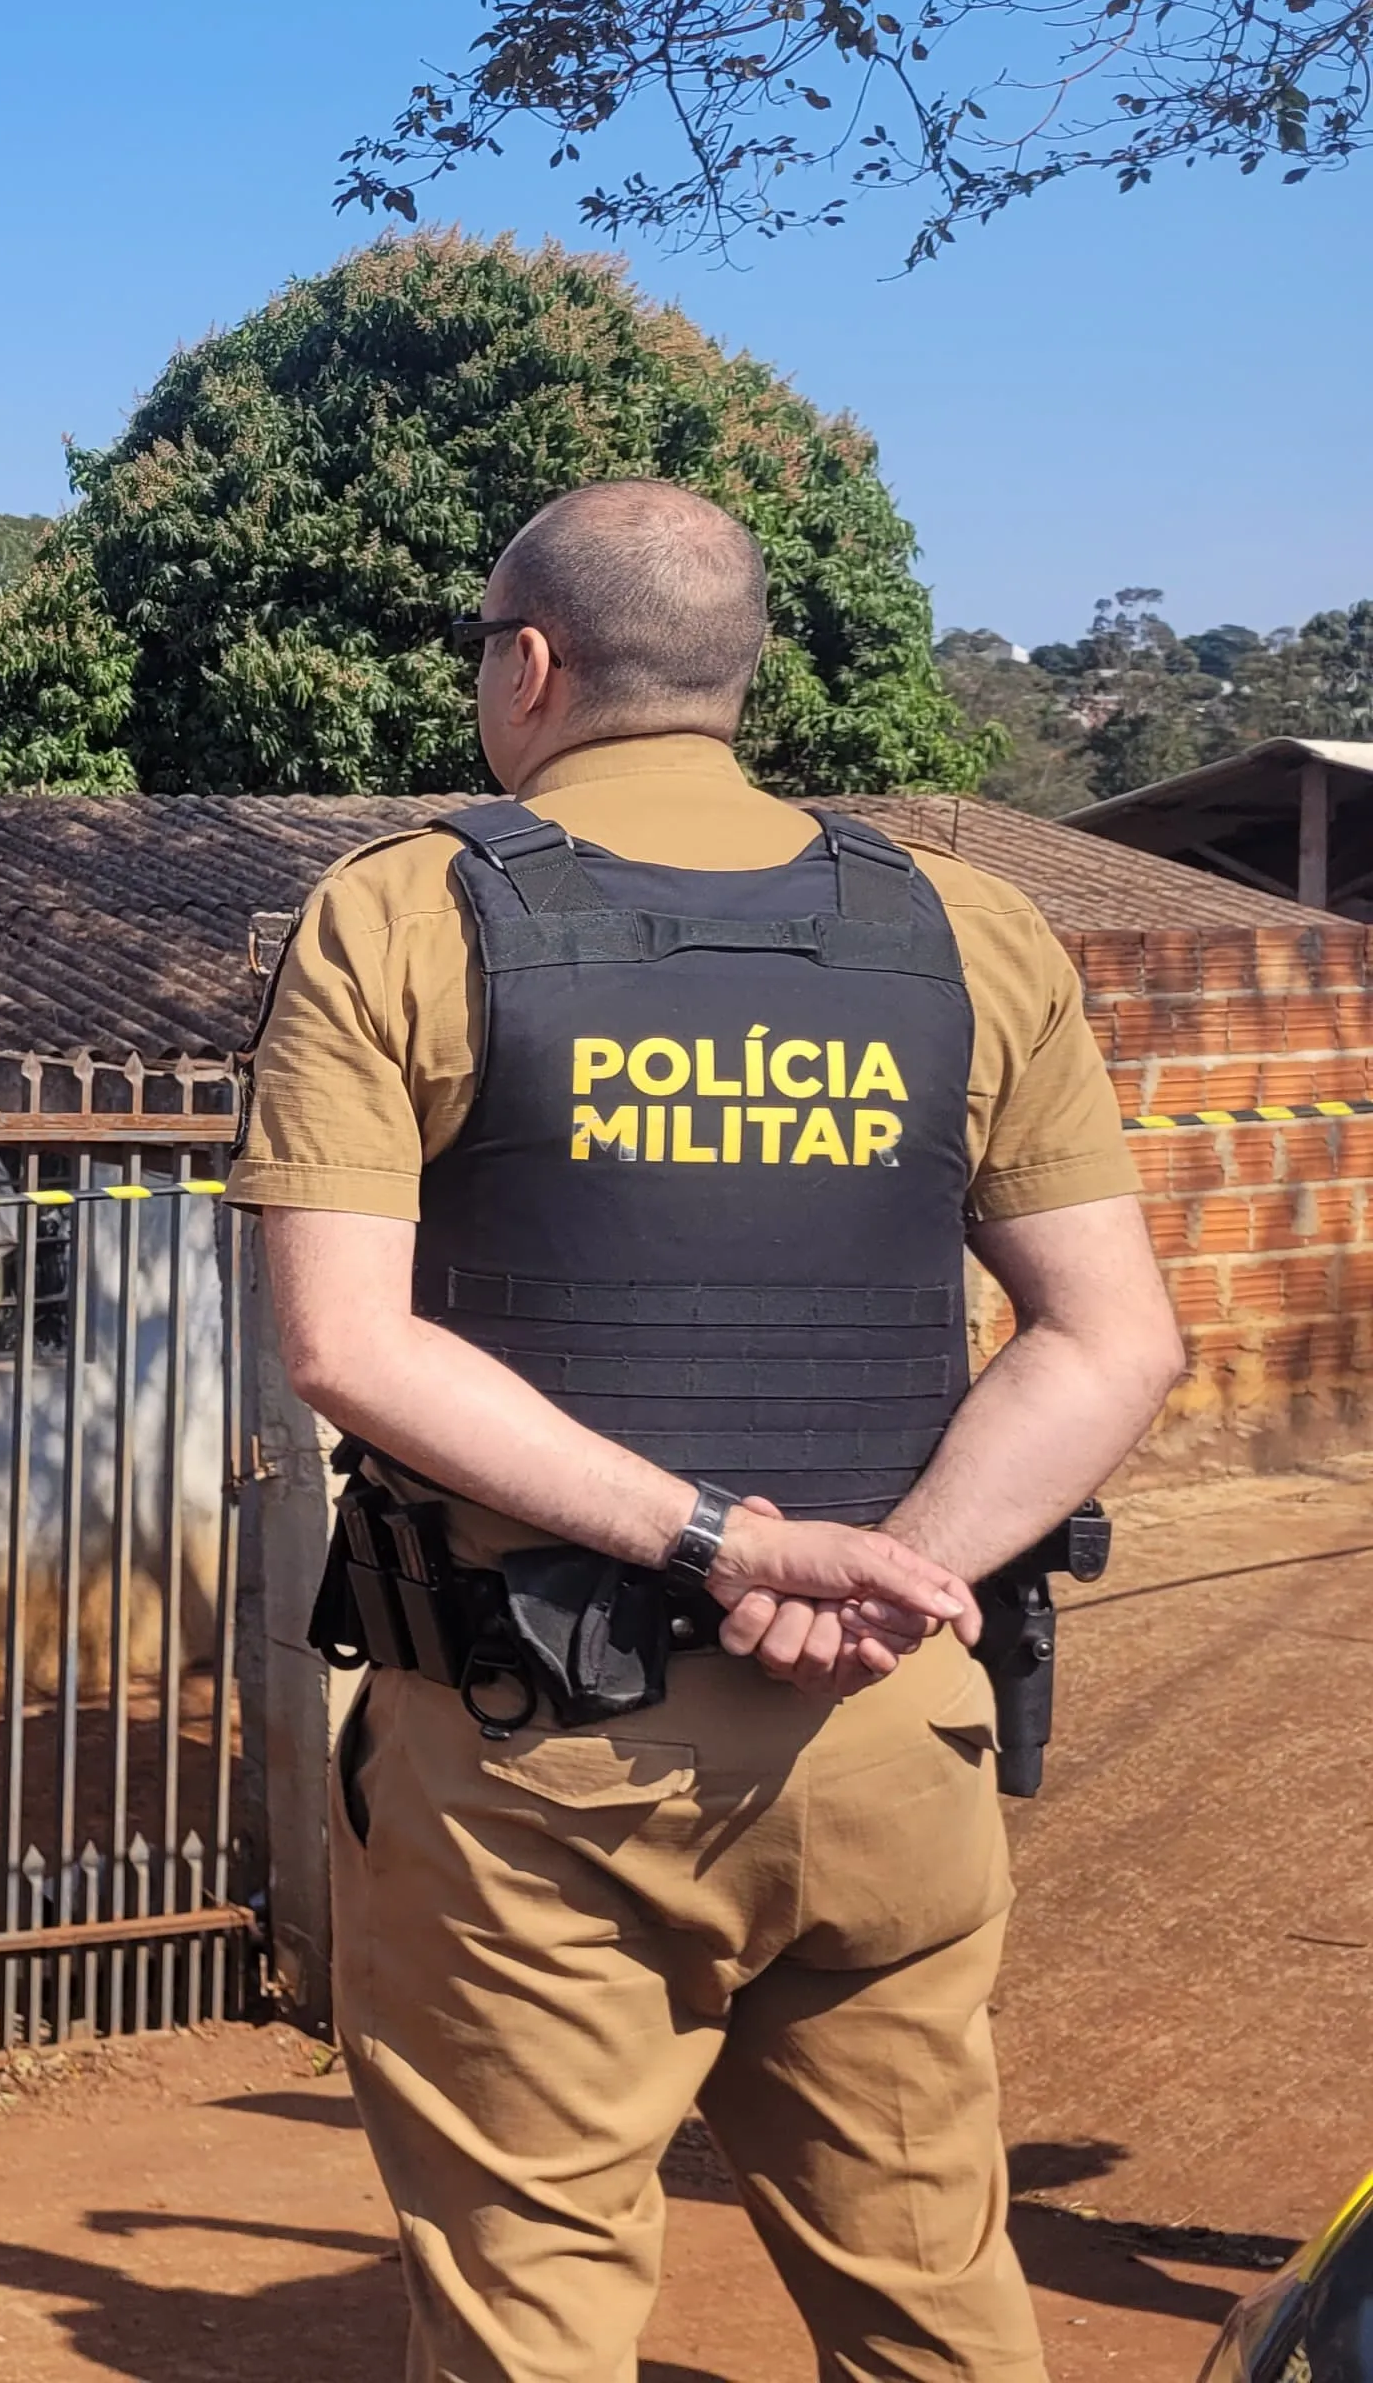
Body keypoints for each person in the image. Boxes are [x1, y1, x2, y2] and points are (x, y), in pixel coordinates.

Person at [234, 480, 1188, 2383]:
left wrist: (728, 1542)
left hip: (545, 1768)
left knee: (536, 2320)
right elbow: (1115, 1337)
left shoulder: (407, 909)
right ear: (738, 674)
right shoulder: (965, 927)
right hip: (897, 1731)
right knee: (936, 2306)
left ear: (527, 662)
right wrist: (892, 1572)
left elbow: (344, 1345)